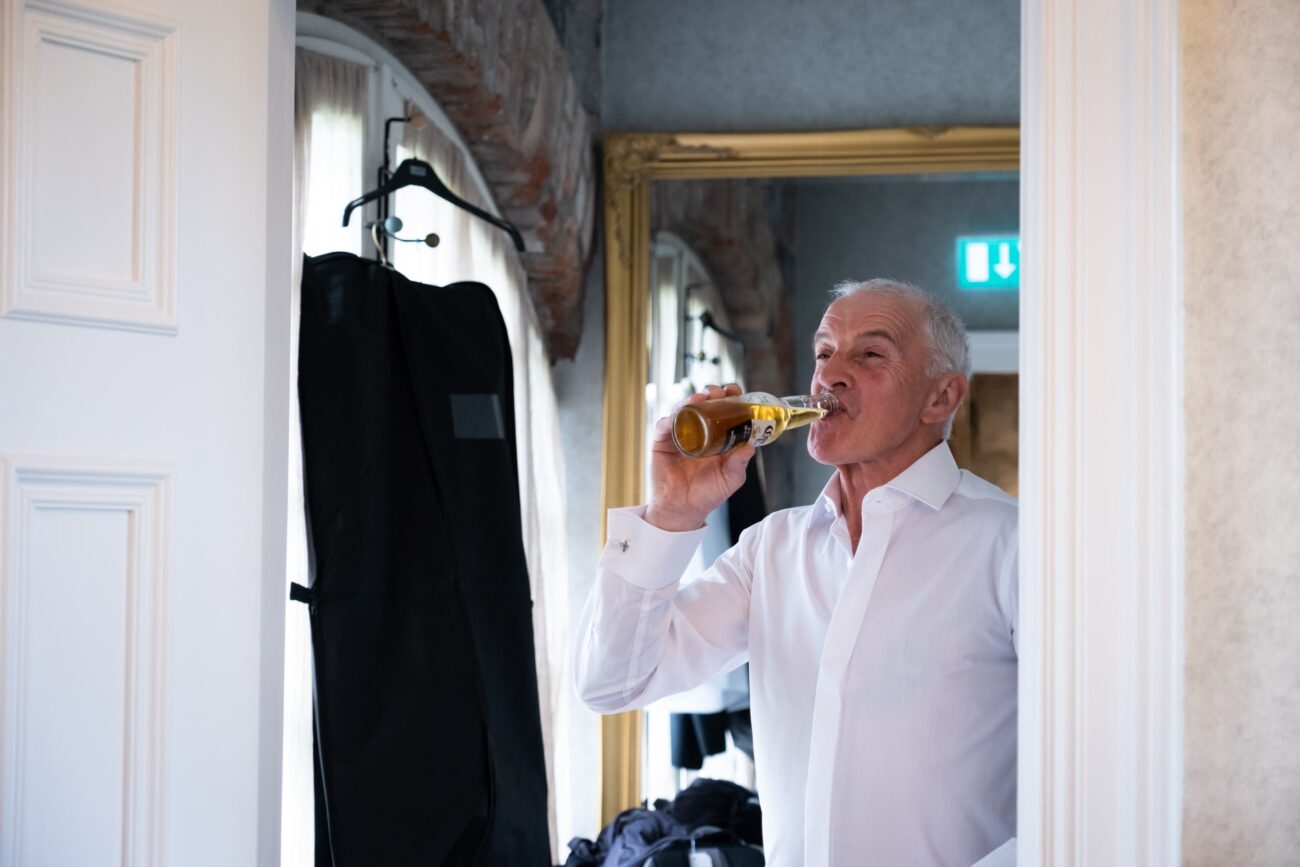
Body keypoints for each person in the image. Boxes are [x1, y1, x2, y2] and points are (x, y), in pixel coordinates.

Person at [575, 279, 1018, 867]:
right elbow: (612, 684)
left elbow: (1084, 780)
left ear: (941, 398)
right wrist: (672, 514)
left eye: (870, 354)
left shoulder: (1013, 544)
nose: (829, 375)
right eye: (824, 352)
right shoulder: (771, 549)